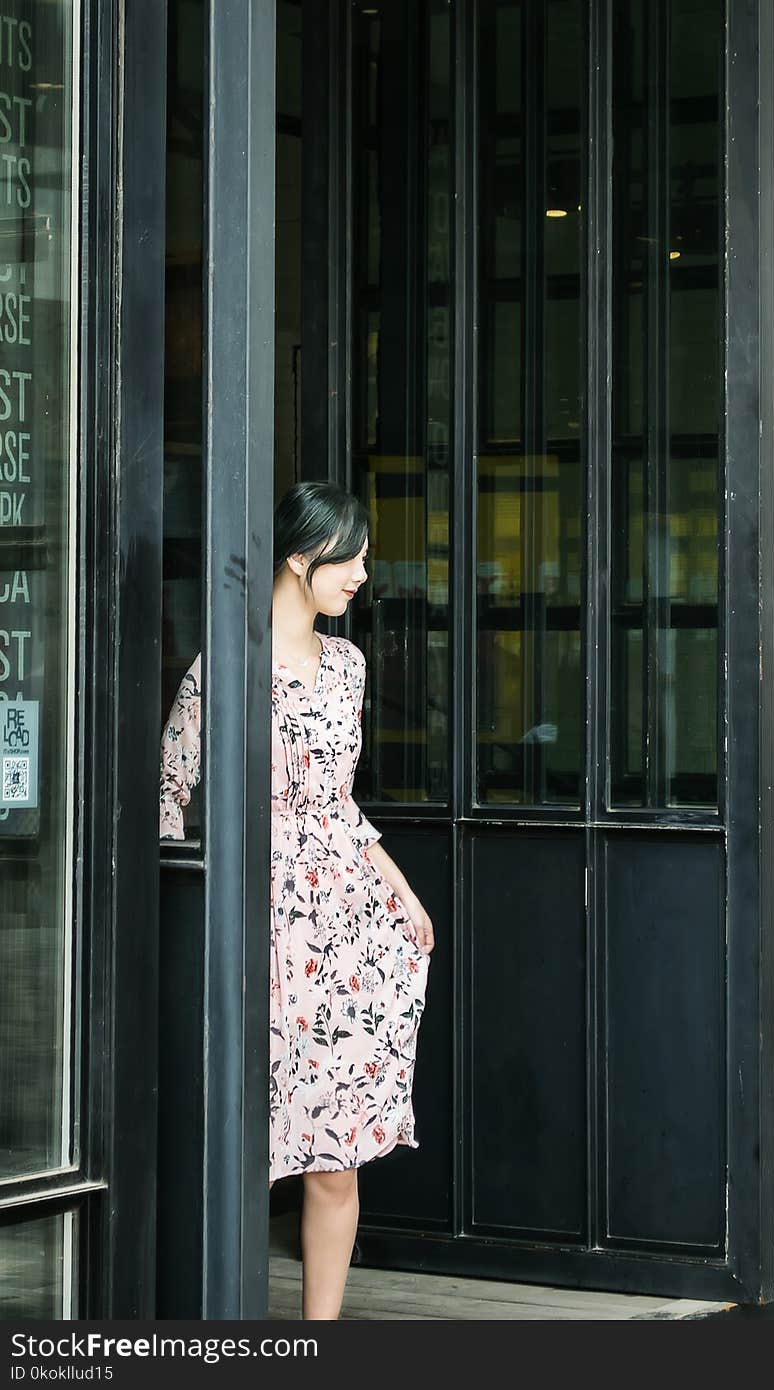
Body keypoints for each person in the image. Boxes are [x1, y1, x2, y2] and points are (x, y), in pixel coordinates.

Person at [159, 480, 434, 1320]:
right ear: (298, 554)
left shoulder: (347, 666)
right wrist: (187, 917)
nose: (361, 574)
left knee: (338, 1152)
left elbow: (339, 807)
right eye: (347, 557)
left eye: (363, 557)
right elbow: (170, 789)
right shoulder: (229, 664)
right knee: (248, 1140)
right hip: (255, 921)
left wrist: (405, 894)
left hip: (346, 928)